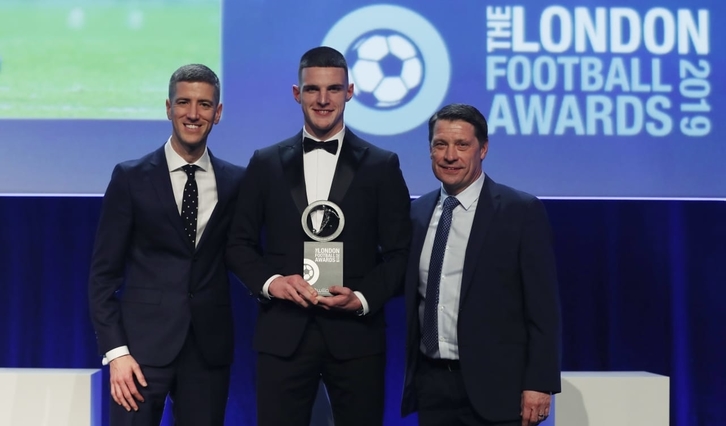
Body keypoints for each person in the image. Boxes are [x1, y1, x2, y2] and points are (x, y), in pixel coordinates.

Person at [226, 46, 411, 426]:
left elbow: (400, 253)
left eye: (333, 89)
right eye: (312, 89)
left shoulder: (381, 166)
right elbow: (238, 243)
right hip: (284, 333)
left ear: (350, 92)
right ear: (297, 93)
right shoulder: (266, 163)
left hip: (355, 336)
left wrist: (360, 298)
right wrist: (272, 283)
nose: (323, 100)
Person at [88, 64, 245, 426]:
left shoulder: (236, 182)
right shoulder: (130, 177)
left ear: (217, 113)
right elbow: (102, 276)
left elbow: (243, 254)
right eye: (184, 103)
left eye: (204, 105)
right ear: (168, 108)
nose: (193, 114)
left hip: (207, 351)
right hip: (140, 354)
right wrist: (117, 353)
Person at [400, 103, 561, 426]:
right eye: (440, 145)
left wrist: (539, 383)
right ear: (430, 150)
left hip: (498, 390)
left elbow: (543, 309)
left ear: (483, 149)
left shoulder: (520, 211)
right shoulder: (417, 214)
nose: (450, 156)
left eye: (462, 145)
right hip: (433, 386)